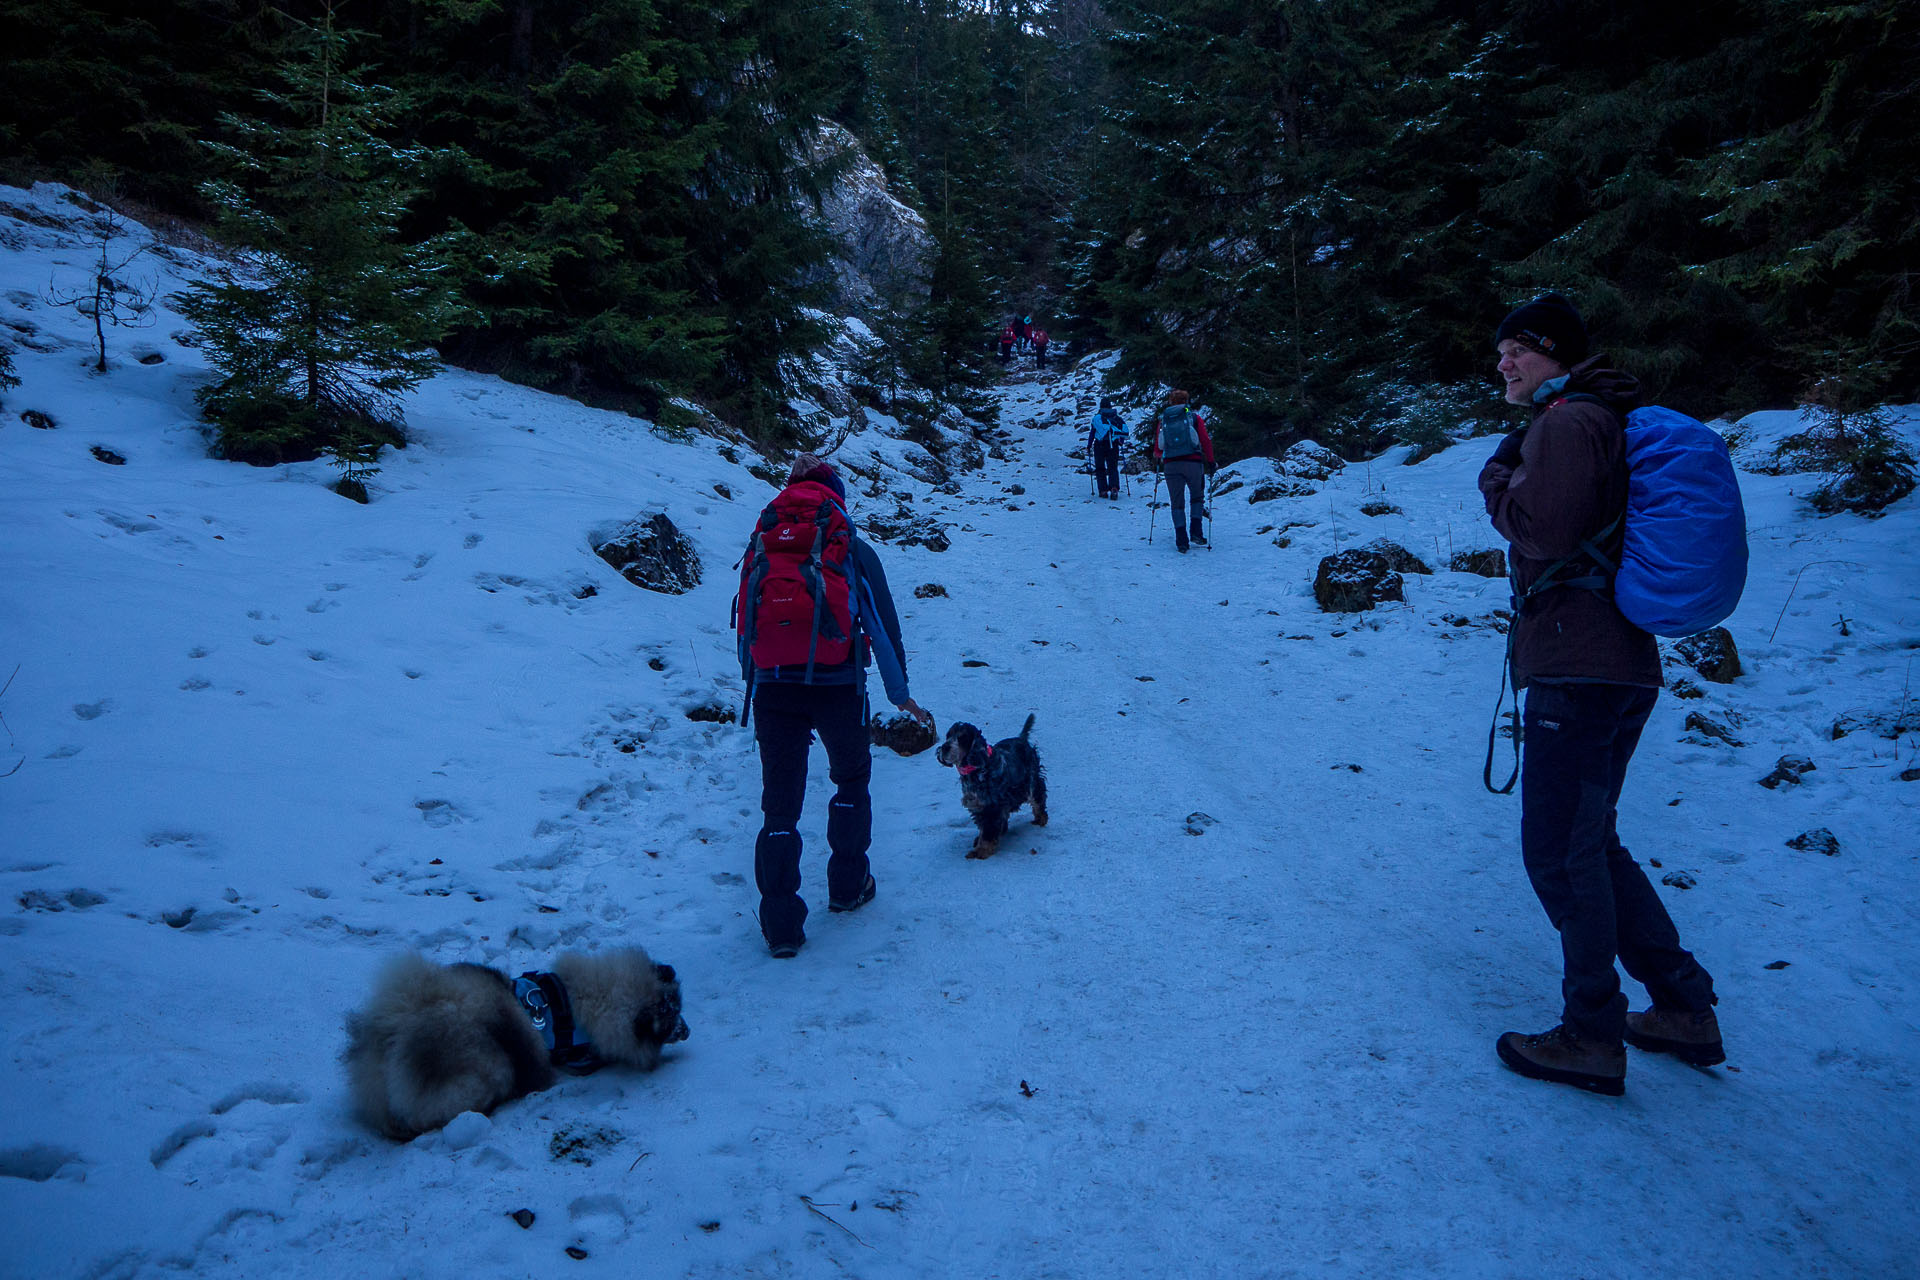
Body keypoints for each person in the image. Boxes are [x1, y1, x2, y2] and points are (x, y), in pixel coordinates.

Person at [1479, 293, 1722, 1094]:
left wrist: (1496, 478)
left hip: (1576, 665)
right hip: (1614, 661)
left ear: (1556, 354)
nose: (1506, 363)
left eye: (1520, 349)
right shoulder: (1598, 417)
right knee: (1593, 843)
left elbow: (1540, 528)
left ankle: (1590, 1033)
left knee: (1556, 851)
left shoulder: (1568, 422)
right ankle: (1683, 1008)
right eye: (1504, 350)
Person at [735, 455, 932, 959]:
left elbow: (746, 628)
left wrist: (756, 684)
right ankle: (848, 886)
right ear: (837, 494)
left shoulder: (763, 544)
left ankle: (781, 924)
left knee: (779, 801)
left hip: (774, 687)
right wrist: (899, 693)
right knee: (850, 779)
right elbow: (882, 628)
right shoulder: (851, 547)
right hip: (839, 684)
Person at [1150, 389, 1215, 553]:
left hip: (1171, 465)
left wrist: (1159, 457)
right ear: (1186, 401)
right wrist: (1211, 460)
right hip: (1193, 462)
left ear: (1171, 402)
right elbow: (1205, 440)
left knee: (1177, 503)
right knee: (1197, 498)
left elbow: (1159, 447)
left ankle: (1181, 540)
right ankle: (1196, 532)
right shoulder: (1193, 417)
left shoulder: (1163, 419)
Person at [1088, 397, 1124, 500]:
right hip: (1113, 445)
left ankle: (1103, 491)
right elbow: (1121, 430)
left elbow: (1092, 432)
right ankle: (1114, 488)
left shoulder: (1097, 418)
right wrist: (1121, 441)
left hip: (1099, 445)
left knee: (1100, 468)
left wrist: (1089, 445)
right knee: (1112, 467)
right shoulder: (1116, 417)